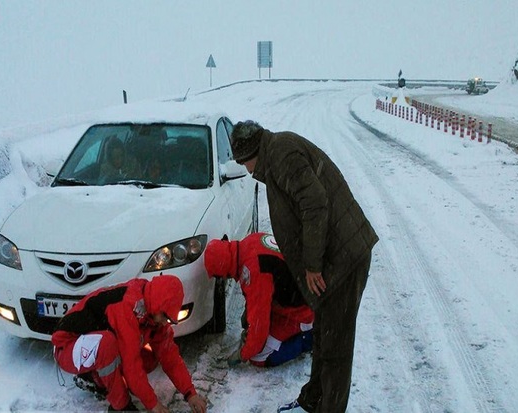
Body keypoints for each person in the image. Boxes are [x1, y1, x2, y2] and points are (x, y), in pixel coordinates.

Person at [230, 121, 379, 413]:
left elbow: (315, 203)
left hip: (343, 259)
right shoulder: (275, 156)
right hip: (331, 260)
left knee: (336, 348)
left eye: (244, 163)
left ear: (251, 153)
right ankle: (312, 401)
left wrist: (311, 265)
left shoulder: (282, 155)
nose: (247, 172)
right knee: (324, 335)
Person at [51, 275, 208, 413]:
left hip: (92, 344)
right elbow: (131, 365)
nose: (165, 323)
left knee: (149, 358)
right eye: (165, 317)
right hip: (67, 346)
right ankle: (119, 405)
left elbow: (170, 357)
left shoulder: (153, 314)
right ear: (159, 306)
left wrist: (190, 394)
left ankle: (100, 378)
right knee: (108, 344)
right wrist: (153, 404)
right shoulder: (126, 308)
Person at [203, 232, 314, 367]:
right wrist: (249, 313)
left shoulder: (253, 271)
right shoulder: (249, 242)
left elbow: (259, 329)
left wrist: (242, 354)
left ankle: (310, 338)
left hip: (302, 311)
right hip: (304, 292)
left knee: (258, 357)